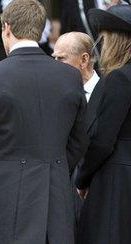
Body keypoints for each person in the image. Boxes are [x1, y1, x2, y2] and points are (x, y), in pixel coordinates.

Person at [0, 0, 88, 244]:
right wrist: (55, 166)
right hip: (56, 187)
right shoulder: (70, 76)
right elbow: (79, 139)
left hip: (7, 191)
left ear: (6, 28)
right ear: (39, 29)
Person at [76, 5, 131, 244]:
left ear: (117, 41)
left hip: (116, 183)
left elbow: (102, 141)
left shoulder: (120, 78)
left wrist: (82, 177)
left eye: (107, 38)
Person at [52, 31, 102, 230]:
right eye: (53, 57)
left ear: (84, 60)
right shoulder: (52, 94)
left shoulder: (110, 92)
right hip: (60, 195)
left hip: (98, 193)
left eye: (61, 58)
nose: (54, 64)